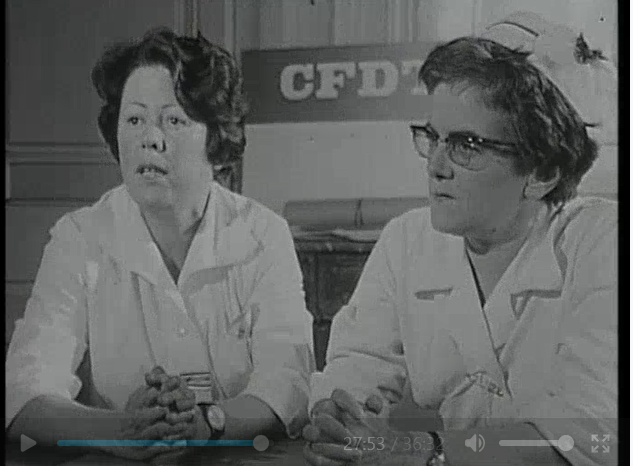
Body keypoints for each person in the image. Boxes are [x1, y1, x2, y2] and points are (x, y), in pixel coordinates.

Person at [303, 11, 617, 466]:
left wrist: (427, 452)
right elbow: (356, 369)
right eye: (433, 137)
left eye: (467, 145)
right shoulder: (407, 241)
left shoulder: (603, 243)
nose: (436, 166)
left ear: (543, 172)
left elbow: (589, 439)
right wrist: (339, 421)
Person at [6, 28, 315, 463]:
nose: (149, 139)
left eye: (173, 120)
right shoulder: (79, 237)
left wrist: (206, 425)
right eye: (134, 120)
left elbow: (288, 384)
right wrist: (123, 431)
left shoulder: (264, 234)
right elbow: (24, 391)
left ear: (216, 141)